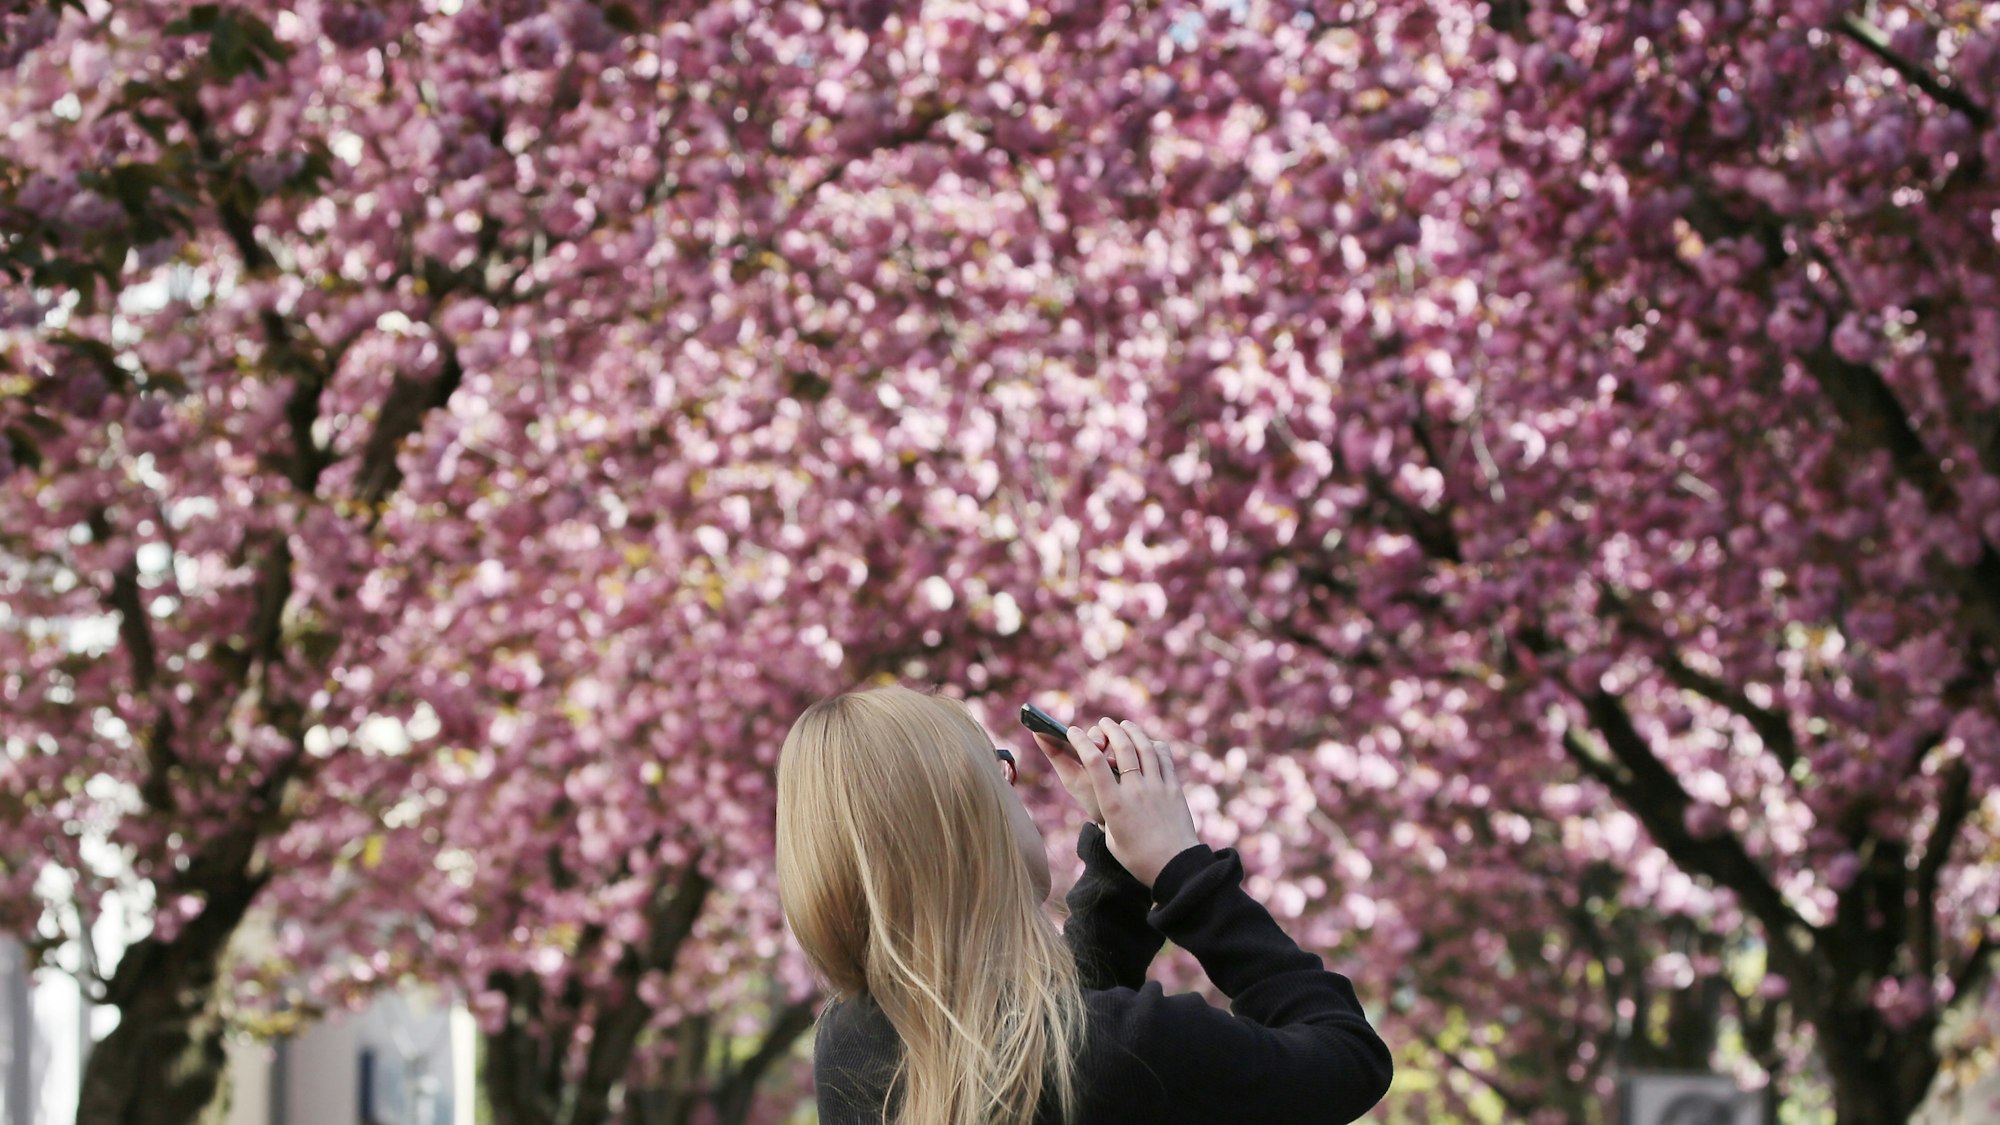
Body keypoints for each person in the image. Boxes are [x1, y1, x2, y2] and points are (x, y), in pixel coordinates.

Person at [775, 683, 1393, 1125]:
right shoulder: (1132, 1050)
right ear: (972, 820)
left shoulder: (848, 1046)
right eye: (999, 769)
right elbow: (1348, 1056)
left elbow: (1045, 1037)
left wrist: (1117, 865)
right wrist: (1184, 871)